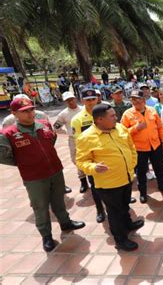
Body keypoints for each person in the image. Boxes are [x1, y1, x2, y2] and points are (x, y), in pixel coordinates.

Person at [0, 98, 85, 252]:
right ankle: (46, 236)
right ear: (14, 114)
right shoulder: (8, 133)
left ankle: (65, 223)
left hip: (55, 171)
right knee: (40, 207)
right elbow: (4, 156)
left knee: (58, 200)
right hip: (34, 177)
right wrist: (24, 162)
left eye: (31, 109)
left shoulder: (44, 125)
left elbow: (51, 140)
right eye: (24, 111)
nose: (30, 113)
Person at [76, 104, 143, 251]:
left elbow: (131, 146)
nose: (116, 118)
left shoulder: (120, 128)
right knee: (114, 213)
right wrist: (93, 168)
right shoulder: (86, 137)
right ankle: (121, 240)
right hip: (108, 184)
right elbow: (81, 161)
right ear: (100, 119)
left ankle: (128, 224)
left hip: (126, 177)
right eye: (112, 116)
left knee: (125, 205)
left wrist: (132, 164)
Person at [121, 90, 163, 203]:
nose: (135, 101)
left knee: (159, 168)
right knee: (141, 172)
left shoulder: (152, 110)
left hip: (155, 146)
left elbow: (160, 128)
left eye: (137, 99)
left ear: (144, 100)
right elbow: (122, 133)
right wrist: (135, 128)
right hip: (139, 149)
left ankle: (162, 185)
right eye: (133, 99)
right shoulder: (127, 114)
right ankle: (143, 193)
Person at [71, 88, 107, 222]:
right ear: (82, 101)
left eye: (93, 99)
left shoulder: (106, 111)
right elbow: (80, 142)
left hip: (108, 154)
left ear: (97, 98)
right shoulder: (78, 119)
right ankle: (100, 209)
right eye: (87, 100)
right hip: (92, 158)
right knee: (95, 185)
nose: (91, 102)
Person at [53, 91, 84, 193]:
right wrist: (67, 133)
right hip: (73, 139)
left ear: (75, 98)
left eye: (72, 99)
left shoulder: (84, 109)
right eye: (68, 100)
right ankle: (83, 180)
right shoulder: (63, 114)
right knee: (76, 158)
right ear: (65, 102)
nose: (71, 102)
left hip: (87, 136)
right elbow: (56, 127)